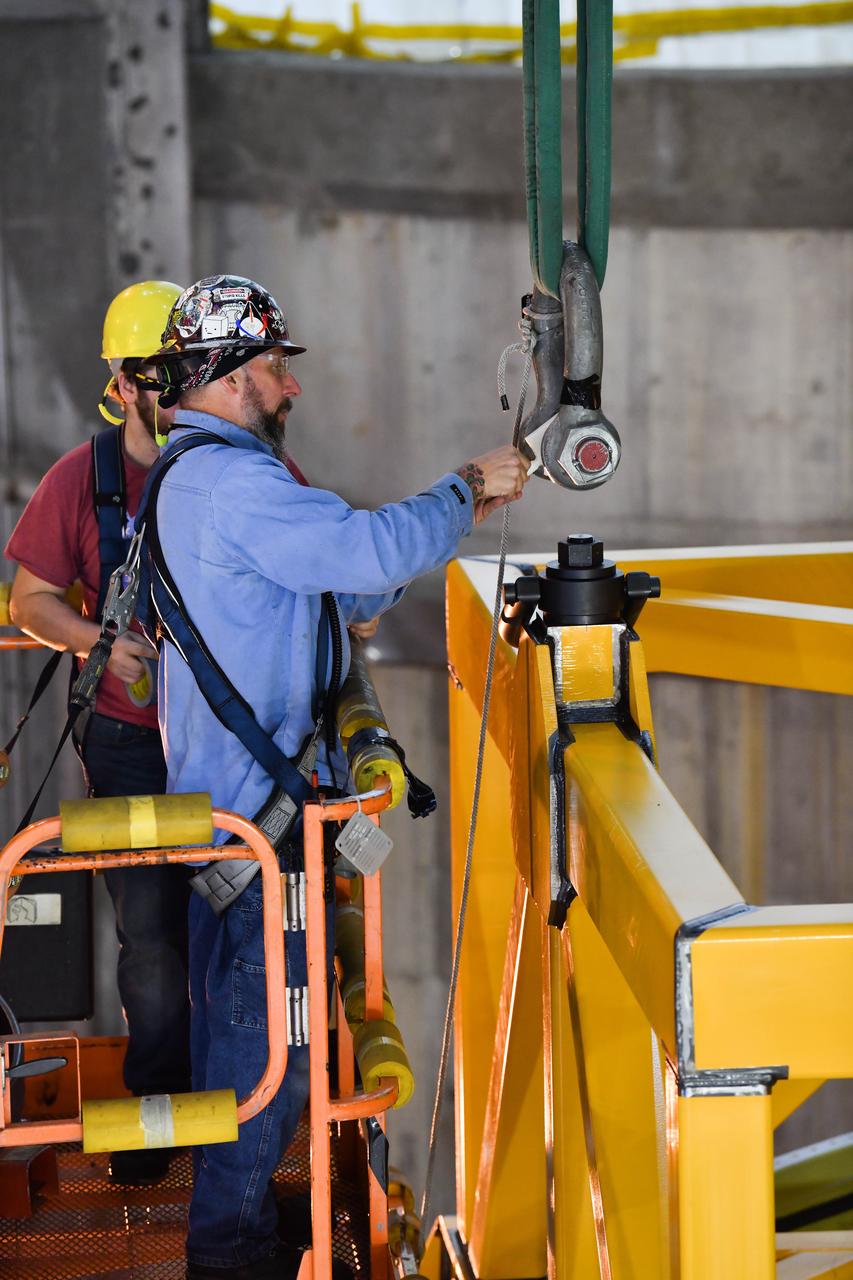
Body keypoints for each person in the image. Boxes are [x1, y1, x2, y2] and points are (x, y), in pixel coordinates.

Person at [141, 274, 528, 1280]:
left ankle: (242, 1241)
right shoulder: (233, 485)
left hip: (257, 825)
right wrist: (466, 491)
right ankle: (227, 1256)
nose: (289, 387)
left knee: (276, 1048)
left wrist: (401, 545)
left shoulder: (204, 480)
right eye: (273, 365)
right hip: (258, 837)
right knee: (264, 1060)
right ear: (225, 379)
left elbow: (353, 575)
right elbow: (363, 549)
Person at [4, 280, 192, 1186]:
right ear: (118, 382)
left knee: (244, 937)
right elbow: (30, 600)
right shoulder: (82, 482)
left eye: (182, 365)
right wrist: (98, 644)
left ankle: (246, 1108)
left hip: (235, 753)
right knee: (152, 943)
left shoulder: (242, 472)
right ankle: (161, 1123)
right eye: (150, 370)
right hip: (129, 745)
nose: (168, 384)